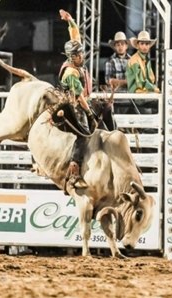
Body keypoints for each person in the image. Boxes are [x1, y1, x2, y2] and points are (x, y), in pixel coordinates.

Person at [58, 9, 95, 189]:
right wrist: (88, 111)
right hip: (74, 104)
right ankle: (74, 171)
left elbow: (75, 35)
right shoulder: (70, 72)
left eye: (81, 53)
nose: (82, 56)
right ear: (72, 57)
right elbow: (78, 95)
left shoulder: (76, 60)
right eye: (79, 55)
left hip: (83, 99)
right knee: (84, 133)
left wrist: (70, 20)